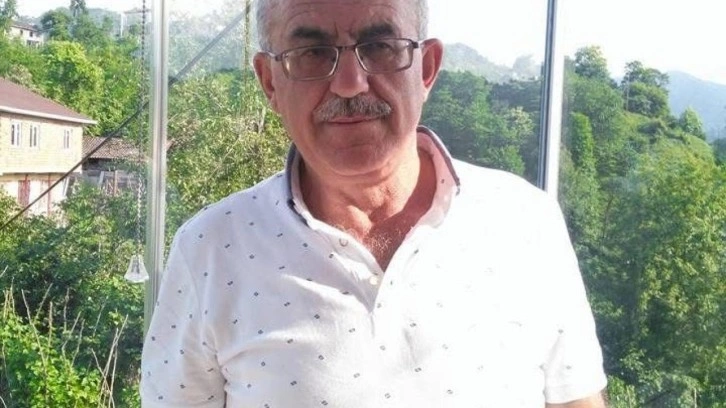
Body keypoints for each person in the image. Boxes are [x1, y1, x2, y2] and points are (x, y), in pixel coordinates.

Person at [140, 0, 608, 406]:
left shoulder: (526, 224)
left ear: (427, 68)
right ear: (269, 82)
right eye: (312, 53)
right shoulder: (210, 249)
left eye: (380, 47)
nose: (350, 83)